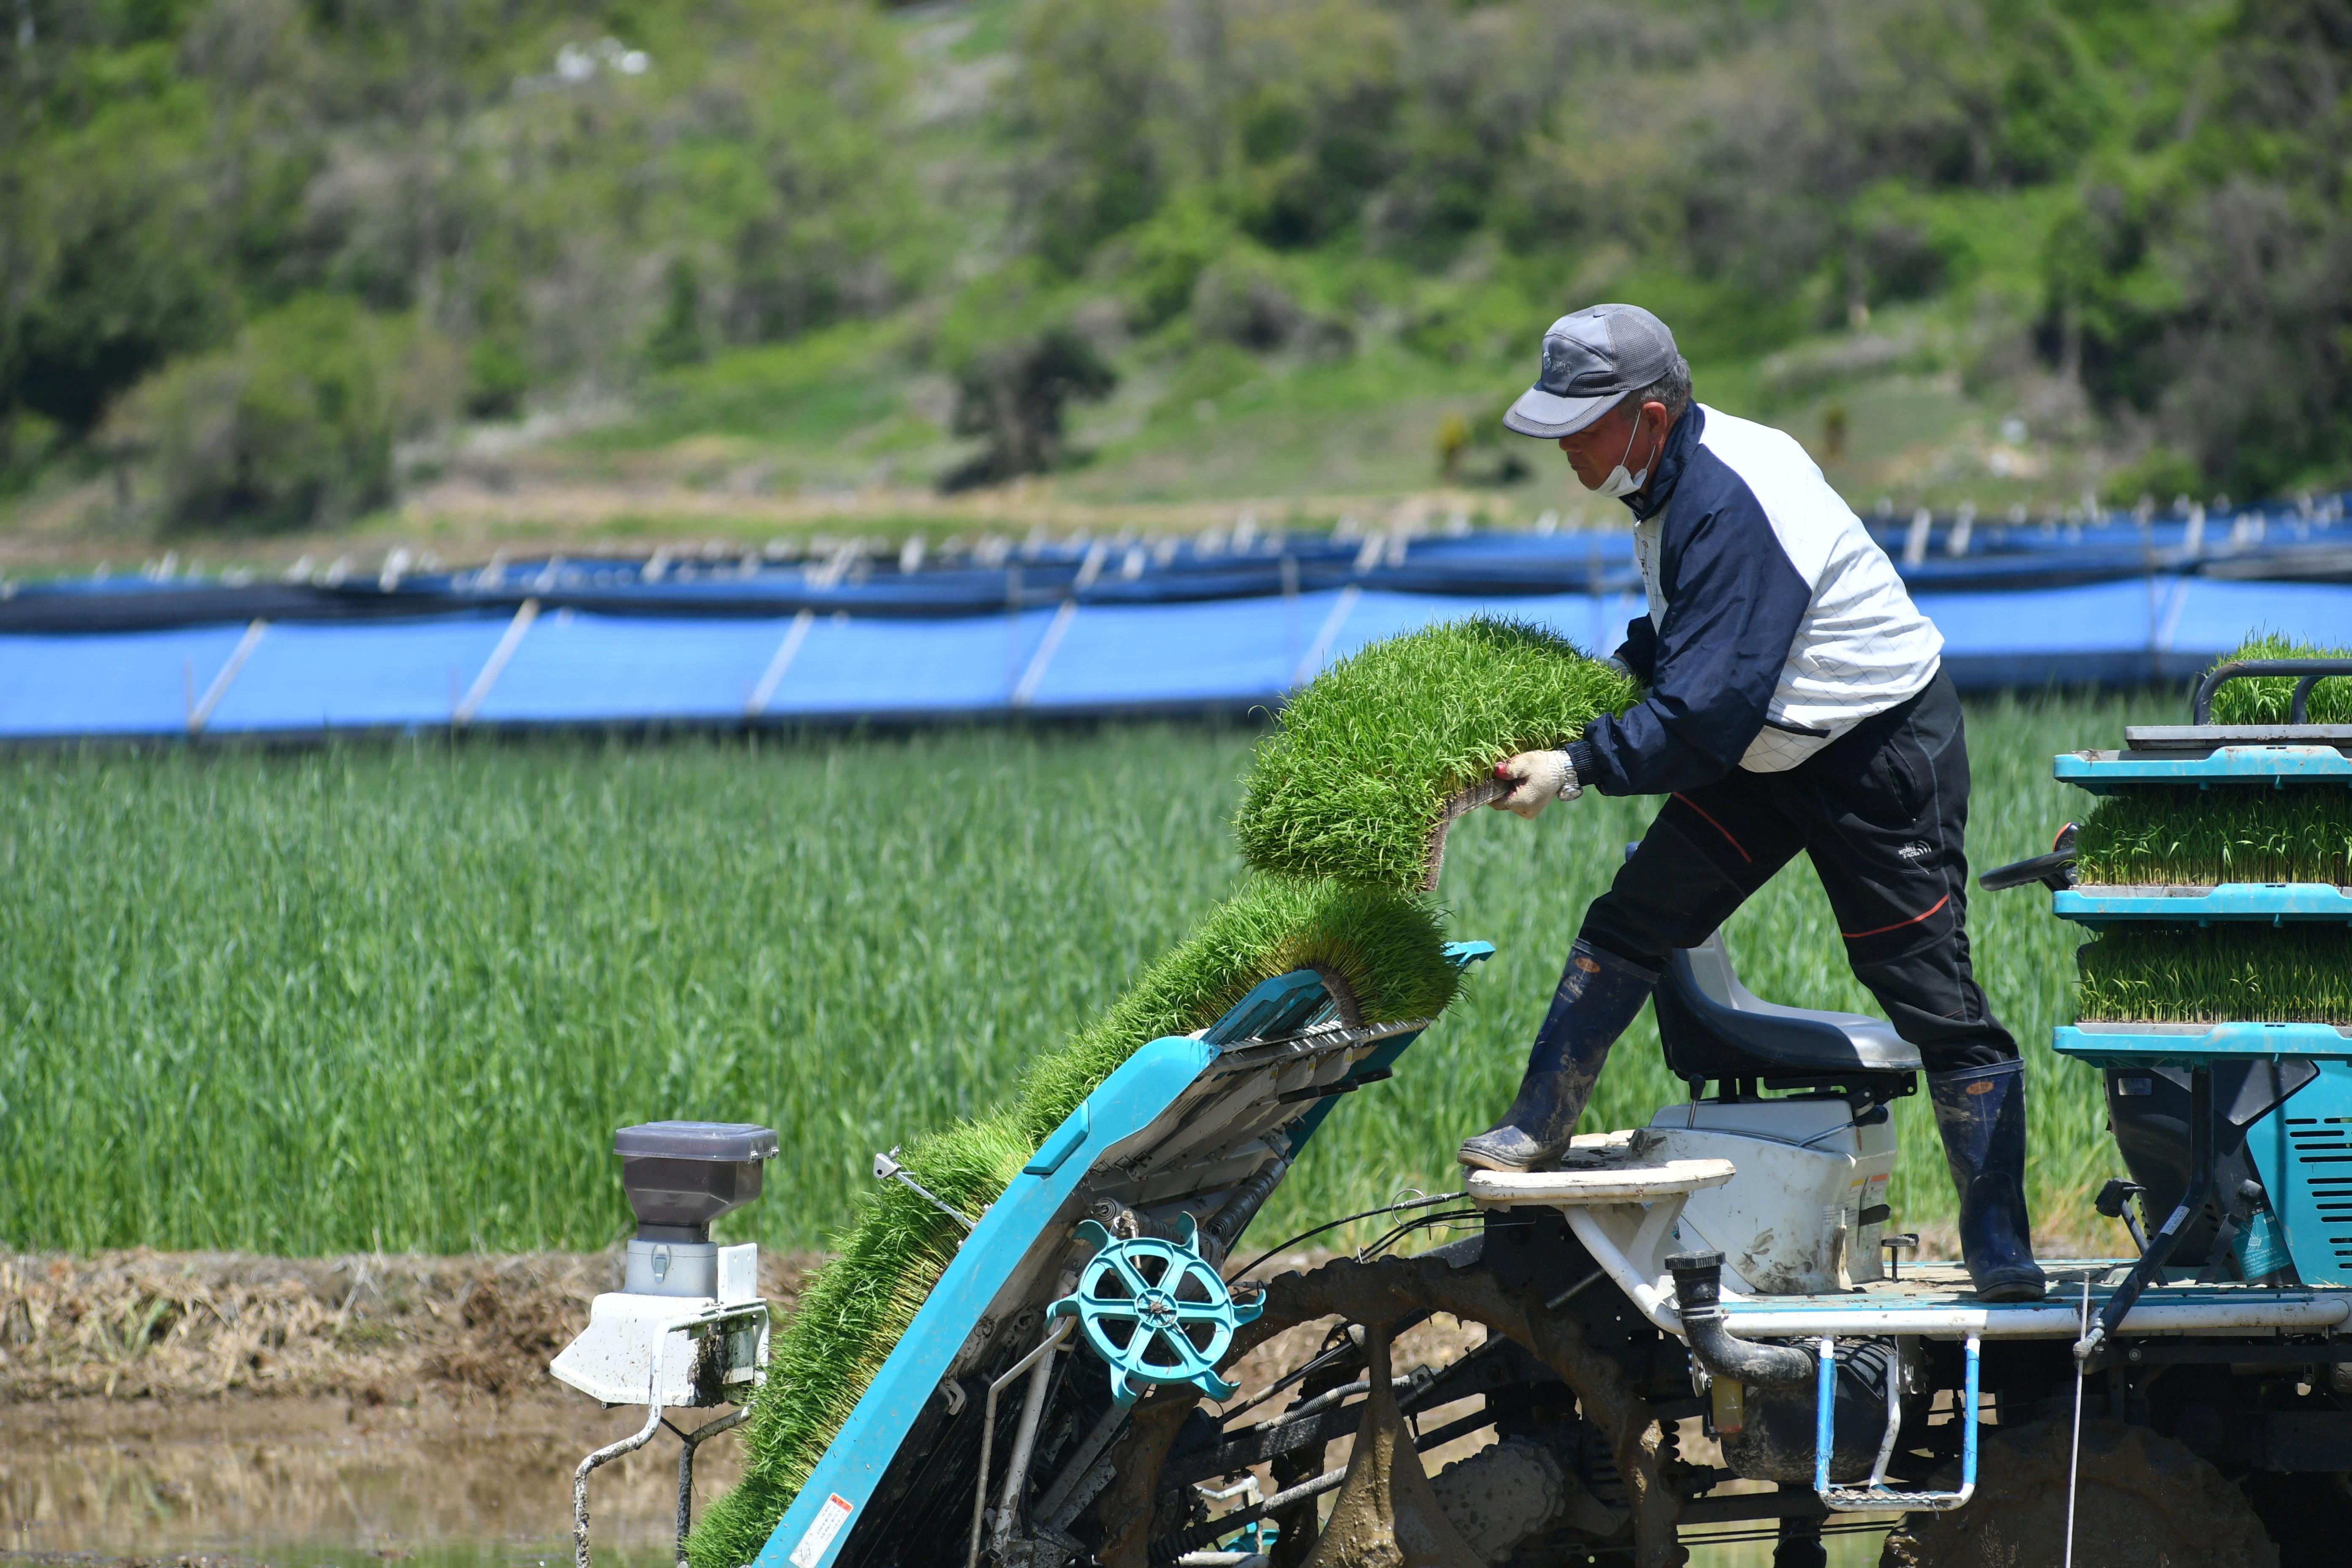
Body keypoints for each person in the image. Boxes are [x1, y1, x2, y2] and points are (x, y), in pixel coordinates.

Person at [1459, 303, 2044, 1304]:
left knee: (1928, 993)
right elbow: (1684, 651)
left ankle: (2000, 1245)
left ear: (1648, 414)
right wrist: (1588, 695)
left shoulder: (1733, 499)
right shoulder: (1665, 480)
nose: (1563, 442)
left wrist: (1577, 766)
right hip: (1766, 739)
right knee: (1637, 915)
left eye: (1579, 422)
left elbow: (1702, 713)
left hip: (1872, 749)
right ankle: (1535, 1125)